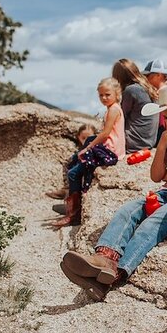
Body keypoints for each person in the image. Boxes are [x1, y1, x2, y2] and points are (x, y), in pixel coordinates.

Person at [60, 85, 167, 301]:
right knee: (128, 210)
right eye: (166, 118)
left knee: (152, 225)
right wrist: (161, 147)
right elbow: (156, 175)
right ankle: (104, 258)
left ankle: (115, 274)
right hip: (166, 192)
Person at [52, 79, 125, 228]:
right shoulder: (113, 108)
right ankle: (69, 194)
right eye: (101, 95)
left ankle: (73, 214)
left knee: (73, 173)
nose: (104, 98)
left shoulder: (113, 109)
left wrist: (88, 148)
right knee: (78, 155)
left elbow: (105, 134)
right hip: (111, 147)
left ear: (117, 93)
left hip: (110, 151)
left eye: (107, 94)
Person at [111, 58, 158, 152]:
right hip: (149, 141)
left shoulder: (131, 90)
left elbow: (120, 116)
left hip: (134, 142)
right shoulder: (149, 88)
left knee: (90, 142)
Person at [46, 123, 97, 201]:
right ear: (78, 137)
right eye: (83, 138)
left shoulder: (96, 149)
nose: (86, 141)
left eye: (89, 138)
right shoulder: (78, 152)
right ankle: (67, 189)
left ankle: (68, 193)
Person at [143, 59, 167, 146]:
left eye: (148, 75)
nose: (146, 78)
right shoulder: (164, 91)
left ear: (158, 75)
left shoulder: (164, 93)